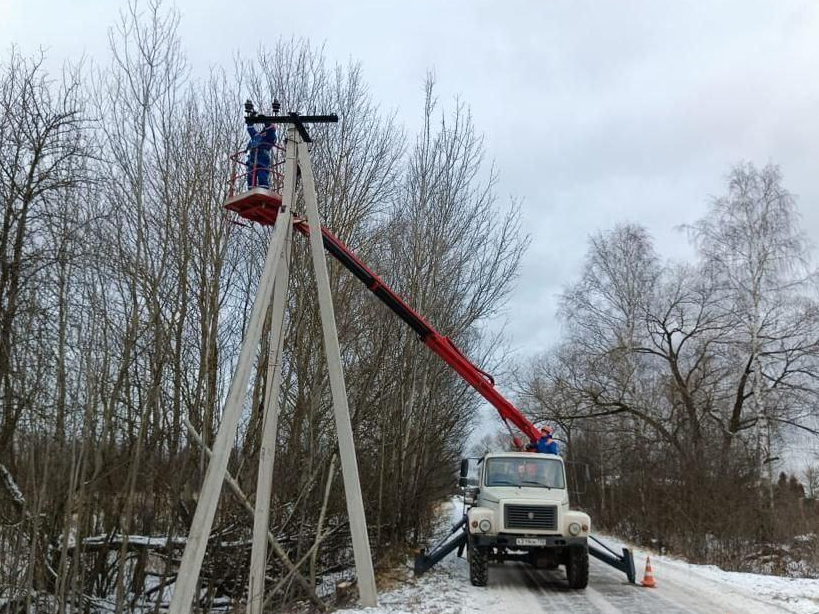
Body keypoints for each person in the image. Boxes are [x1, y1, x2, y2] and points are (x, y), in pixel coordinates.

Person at [245, 102, 278, 188]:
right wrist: (250, 121)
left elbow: (271, 131)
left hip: (262, 158)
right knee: (250, 175)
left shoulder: (269, 137)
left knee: (262, 173)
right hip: (252, 159)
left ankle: (264, 188)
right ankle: (251, 188)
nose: (263, 133)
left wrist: (266, 122)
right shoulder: (257, 136)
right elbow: (251, 130)